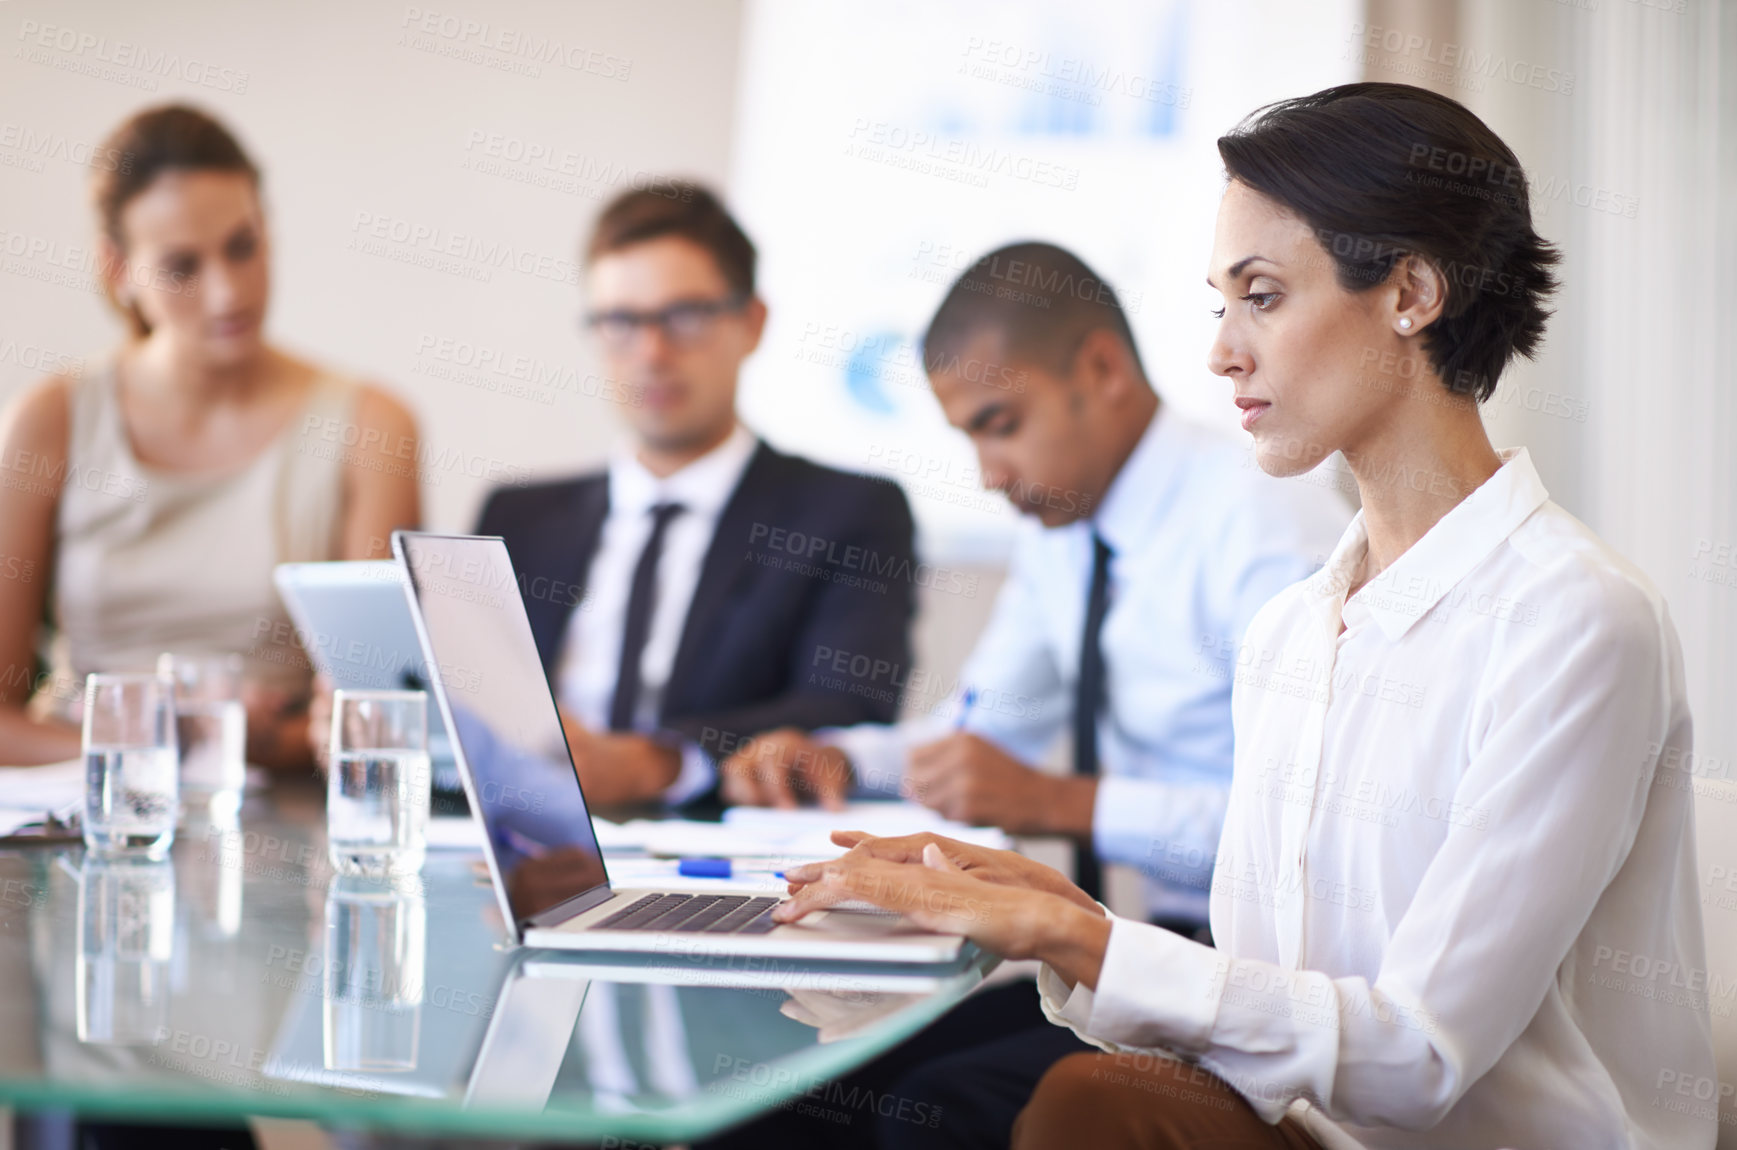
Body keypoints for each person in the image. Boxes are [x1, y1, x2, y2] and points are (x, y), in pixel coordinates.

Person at [771, 82, 1716, 1149]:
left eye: (1261, 295)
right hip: (1305, 1128)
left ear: (1411, 292)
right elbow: (1268, 1003)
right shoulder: (1293, 630)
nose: (1223, 351)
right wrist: (1057, 917)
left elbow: (1416, 1062)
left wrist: (1069, 931)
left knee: (1069, 1106)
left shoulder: (1577, 621)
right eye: (1220, 304)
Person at [708, 242, 1349, 1149]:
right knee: (804, 1075)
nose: (988, 473)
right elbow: (977, 732)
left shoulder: (1262, 525)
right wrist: (842, 758)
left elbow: (1305, 839)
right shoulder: (1066, 533)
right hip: (1137, 944)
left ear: (1100, 368)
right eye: (969, 435)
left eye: (999, 423)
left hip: (1260, 978)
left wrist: (1058, 803)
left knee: (928, 1109)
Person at [0, 104, 419, 769]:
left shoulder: (371, 426)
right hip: (83, 806)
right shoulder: (48, 420)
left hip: (275, 817)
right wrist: (174, 744)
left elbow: (371, 719)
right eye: (181, 267)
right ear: (118, 269)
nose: (228, 294)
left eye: (242, 247)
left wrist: (247, 746)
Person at [474, 184, 917, 807]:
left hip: (712, 856)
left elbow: (848, 706)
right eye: (621, 322)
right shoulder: (518, 517)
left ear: (752, 323)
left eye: (686, 316)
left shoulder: (847, 512)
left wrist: (655, 764)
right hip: (525, 836)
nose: (652, 353)